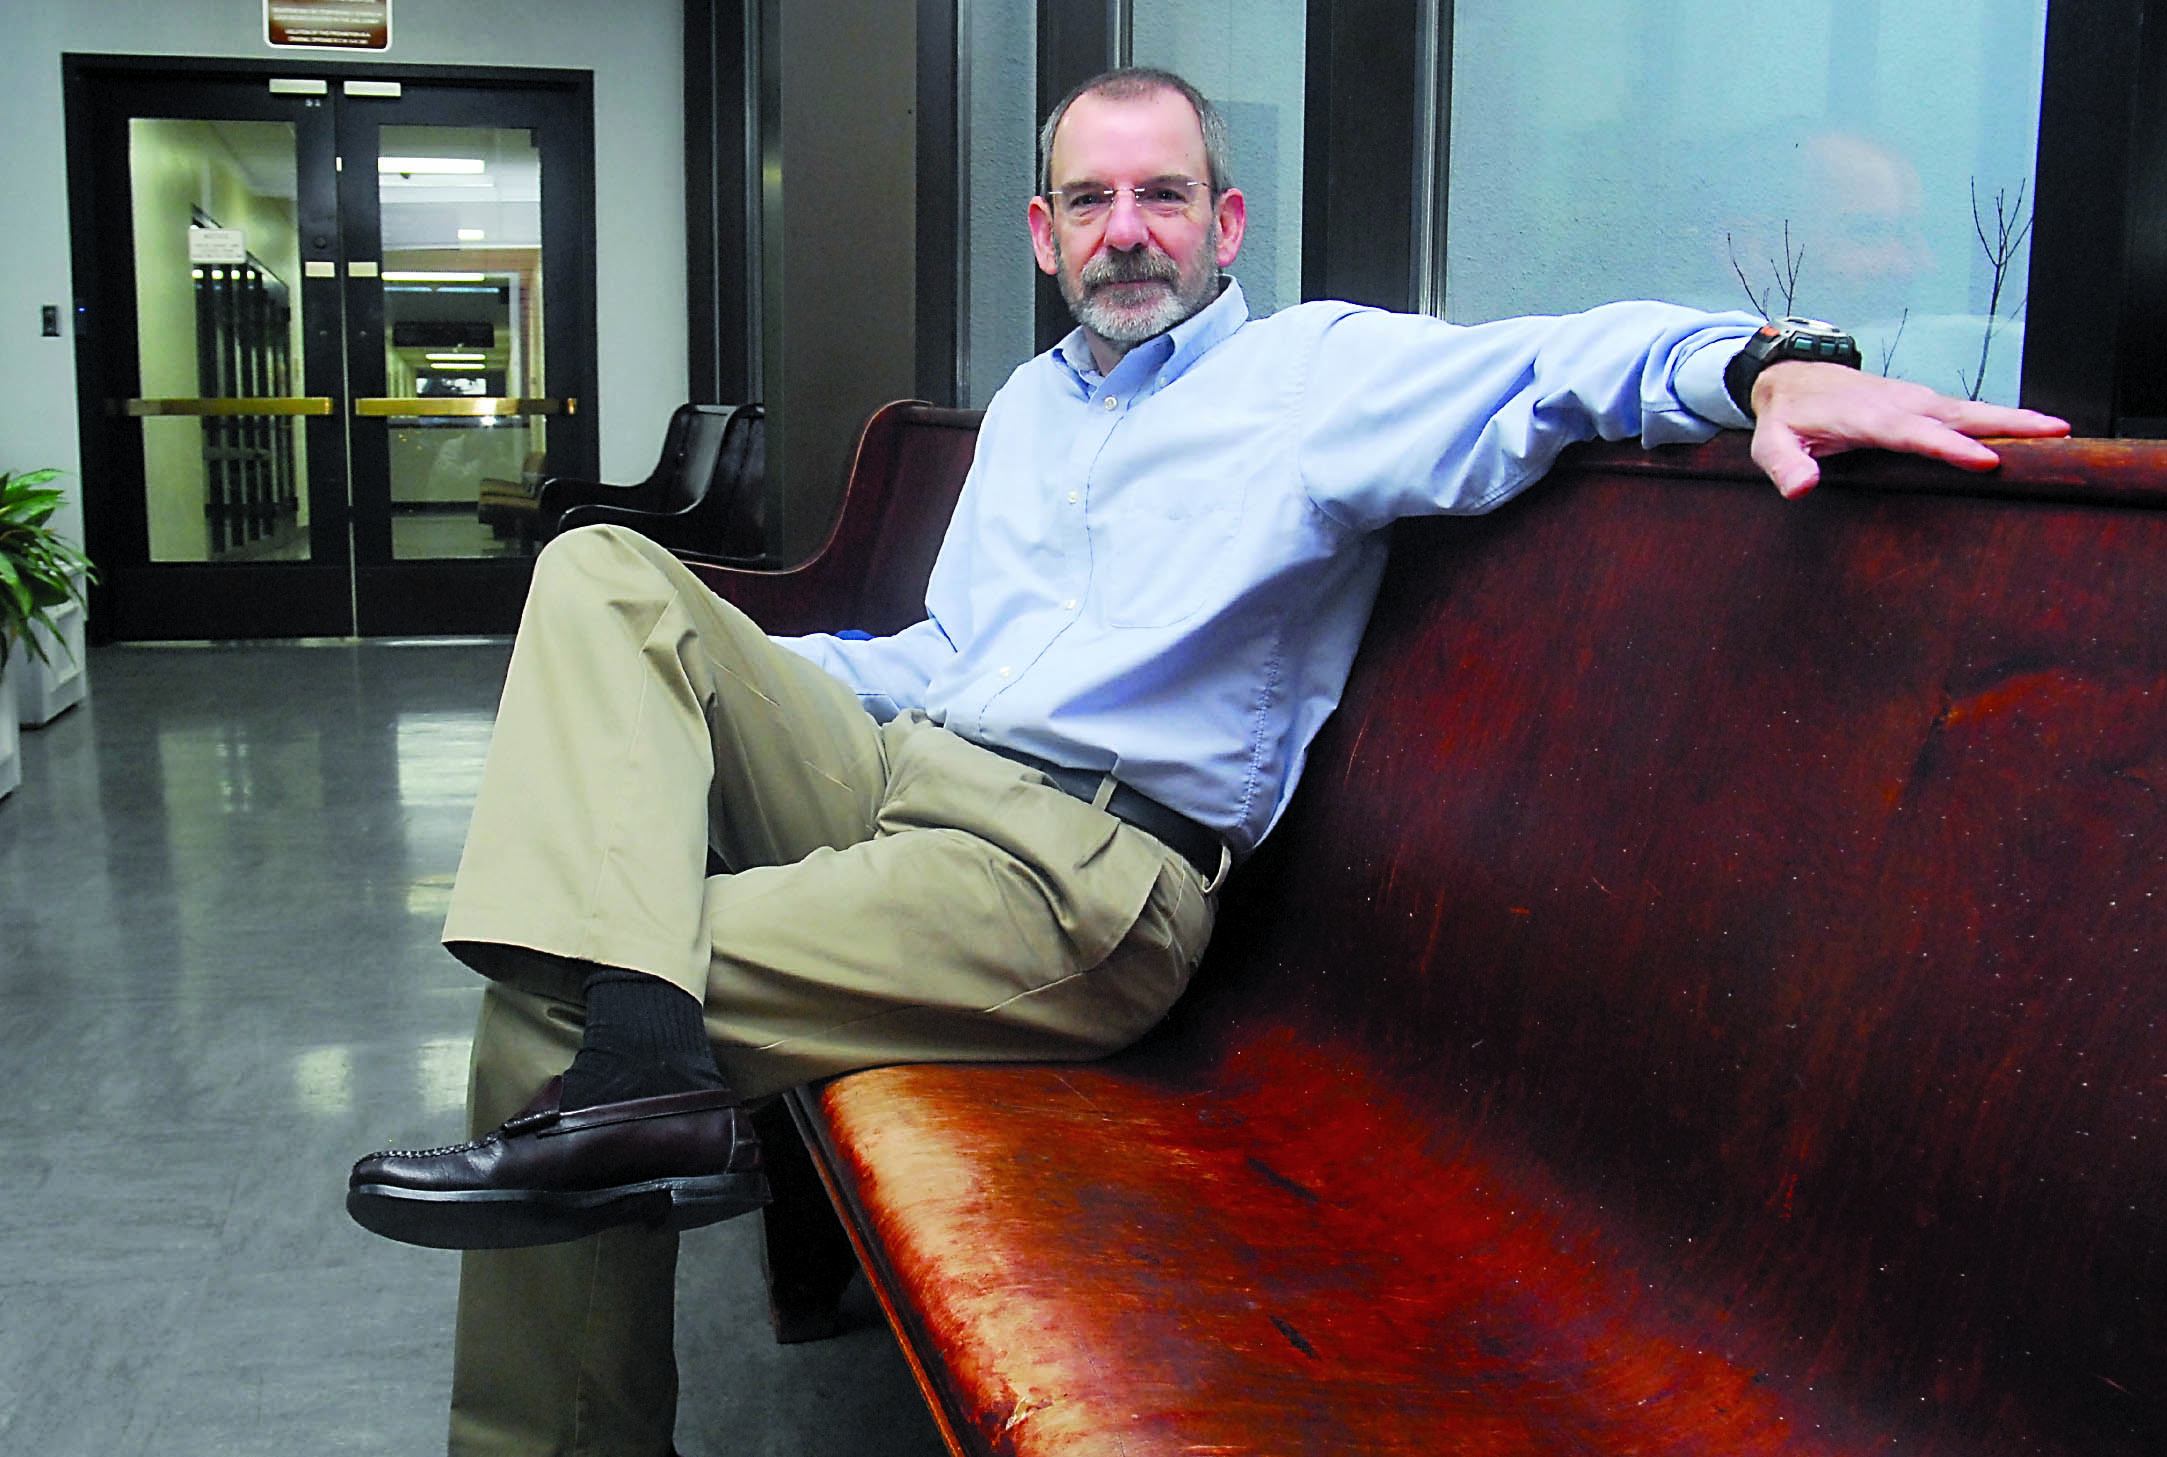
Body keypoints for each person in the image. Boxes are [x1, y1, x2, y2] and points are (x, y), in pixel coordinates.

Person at [346, 66, 2068, 1457]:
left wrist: (1768, 366)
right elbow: (951, 660)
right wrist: (705, 683)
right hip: (918, 772)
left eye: (1162, 195)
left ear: (1224, 221)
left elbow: (1552, 367)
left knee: (563, 994)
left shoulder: (1314, 377)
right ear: (1042, 232)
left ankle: (583, 1313)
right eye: (1090, 200)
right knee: (606, 576)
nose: (1127, 233)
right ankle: (649, 1077)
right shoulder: (1034, 408)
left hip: (1074, 880)